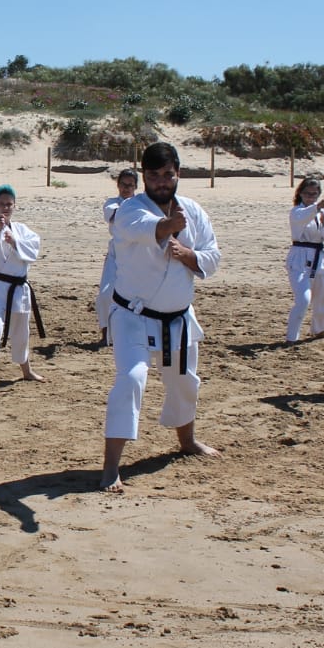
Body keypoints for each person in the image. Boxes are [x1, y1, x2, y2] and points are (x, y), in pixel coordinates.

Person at [101, 143, 221, 492]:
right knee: (132, 379)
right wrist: (170, 225)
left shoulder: (195, 212)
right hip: (133, 315)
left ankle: (187, 441)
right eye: (153, 176)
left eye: (167, 175)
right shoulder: (129, 210)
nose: (161, 182)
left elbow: (213, 256)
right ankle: (111, 467)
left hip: (178, 317)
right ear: (144, 177)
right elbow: (146, 230)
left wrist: (189, 255)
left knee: (185, 382)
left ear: (178, 173)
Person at [0, 184, 45, 396]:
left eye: (9, 204)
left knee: (21, 333)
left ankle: (26, 371)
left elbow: (33, 251)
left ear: (14, 206)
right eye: (1, 204)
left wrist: (15, 242)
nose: (5, 208)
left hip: (18, 289)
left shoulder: (23, 231)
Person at [285, 177, 324, 344]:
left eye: (314, 194)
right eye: (307, 194)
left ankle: (319, 329)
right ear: (300, 194)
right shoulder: (296, 211)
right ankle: (291, 337)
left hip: (318, 257)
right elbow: (301, 218)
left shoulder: (322, 213)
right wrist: (316, 208)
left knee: (322, 298)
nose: (311, 197)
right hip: (299, 258)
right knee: (303, 299)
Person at [95, 168, 139, 345]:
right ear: (118, 185)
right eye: (123, 184)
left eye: (130, 185)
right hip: (117, 252)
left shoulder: (141, 202)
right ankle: (106, 334)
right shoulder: (112, 203)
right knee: (106, 294)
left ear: (136, 186)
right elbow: (115, 216)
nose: (126, 188)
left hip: (137, 253)